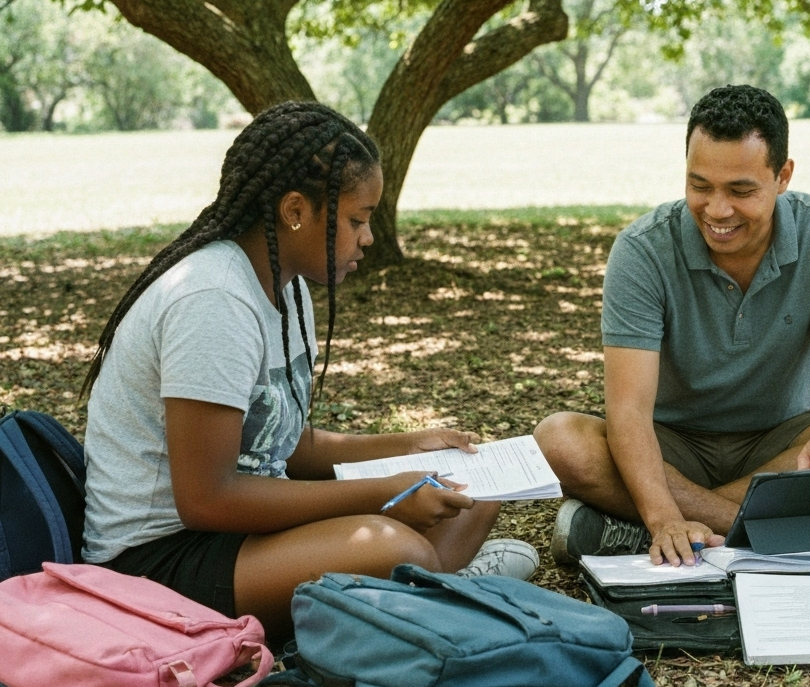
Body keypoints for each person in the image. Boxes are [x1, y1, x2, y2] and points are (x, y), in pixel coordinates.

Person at [80, 102, 538, 643]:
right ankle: (431, 587)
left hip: (237, 530)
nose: (368, 238)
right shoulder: (213, 300)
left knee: (475, 492)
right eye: (357, 221)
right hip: (159, 561)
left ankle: (425, 591)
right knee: (398, 547)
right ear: (295, 210)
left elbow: (287, 447)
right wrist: (382, 495)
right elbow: (207, 499)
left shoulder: (287, 284)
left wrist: (410, 446)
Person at [534, 85, 810, 567]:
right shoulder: (642, 249)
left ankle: (650, 530)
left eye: (740, 190)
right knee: (558, 440)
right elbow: (627, 412)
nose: (717, 210)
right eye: (700, 186)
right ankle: (764, 529)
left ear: (783, 176)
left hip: (779, 444)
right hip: (669, 445)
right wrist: (662, 516)